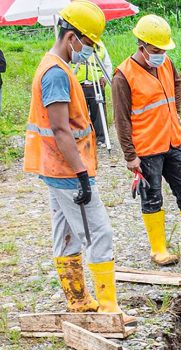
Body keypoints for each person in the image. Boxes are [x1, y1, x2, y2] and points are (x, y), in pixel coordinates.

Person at [24, 0, 122, 314]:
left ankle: (78, 300)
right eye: (89, 44)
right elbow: (60, 129)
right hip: (67, 170)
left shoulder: (57, 66)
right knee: (98, 232)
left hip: (55, 167)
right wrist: (82, 174)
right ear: (72, 38)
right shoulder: (55, 73)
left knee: (66, 232)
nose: (90, 51)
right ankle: (108, 308)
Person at [112, 14, 181, 267]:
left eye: (163, 48)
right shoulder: (123, 76)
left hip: (172, 143)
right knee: (152, 198)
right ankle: (158, 249)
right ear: (141, 46)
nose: (160, 53)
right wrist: (130, 155)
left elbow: (178, 82)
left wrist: (176, 112)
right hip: (147, 148)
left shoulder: (166, 63)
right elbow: (121, 119)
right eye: (155, 49)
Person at [73, 39, 112, 146]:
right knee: (79, 114)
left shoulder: (100, 45)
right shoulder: (75, 43)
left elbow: (107, 63)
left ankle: (101, 138)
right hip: (78, 84)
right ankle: (81, 138)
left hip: (96, 83)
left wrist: (105, 77)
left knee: (99, 113)